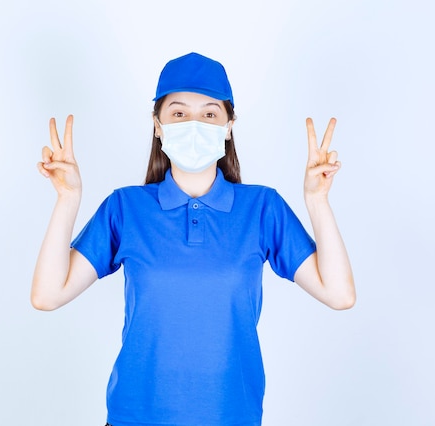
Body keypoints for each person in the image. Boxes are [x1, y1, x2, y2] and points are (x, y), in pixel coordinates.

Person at [32, 52, 355, 426]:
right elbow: (47, 294)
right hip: (134, 418)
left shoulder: (261, 208)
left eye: (210, 114)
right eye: (179, 113)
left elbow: (339, 294)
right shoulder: (126, 208)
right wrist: (67, 200)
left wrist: (317, 201)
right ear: (158, 125)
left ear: (229, 125)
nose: (195, 124)